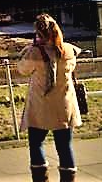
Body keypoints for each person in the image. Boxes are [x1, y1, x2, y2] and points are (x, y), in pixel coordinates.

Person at [16, 13, 81, 182]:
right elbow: (72, 62)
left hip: (40, 106)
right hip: (64, 106)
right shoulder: (68, 50)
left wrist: (28, 49)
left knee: (36, 144)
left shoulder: (34, 53)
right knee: (64, 147)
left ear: (38, 32)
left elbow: (22, 69)